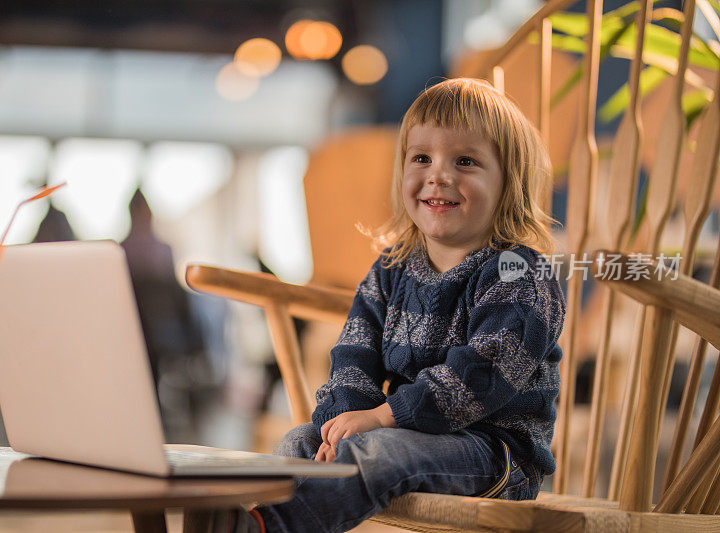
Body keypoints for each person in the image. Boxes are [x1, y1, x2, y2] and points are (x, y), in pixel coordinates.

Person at [210, 77, 566, 532]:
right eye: (422, 158)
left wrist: (382, 416)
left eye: (465, 161)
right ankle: (271, 519)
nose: (439, 175)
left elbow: (482, 373)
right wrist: (341, 421)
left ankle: (265, 528)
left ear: (508, 182)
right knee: (300, 441)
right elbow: (353, 352)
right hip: (407, 434)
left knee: (381, 451)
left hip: (493, 455)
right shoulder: (392, 268)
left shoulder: (519, 272)